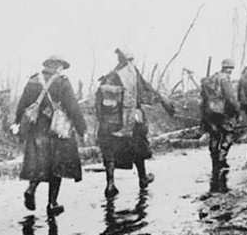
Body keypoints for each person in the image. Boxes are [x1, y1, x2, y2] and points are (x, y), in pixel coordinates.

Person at [13, 55, 86, 216]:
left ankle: (31, 189)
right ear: (58, 66)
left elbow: (22, 104)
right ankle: (52, 203)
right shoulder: (62, 82)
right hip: (56, 130)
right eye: (61, 66)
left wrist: (18, 123)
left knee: (40, 164)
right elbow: (73, 107)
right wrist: (82, 129)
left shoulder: (33, 81)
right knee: (56, 167)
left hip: (36, 130)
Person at [95, 48, 174, 198]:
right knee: (138, 148)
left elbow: (98, 102)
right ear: (130, 60)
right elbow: (147, 91)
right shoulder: (132, 73)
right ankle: (143, 178)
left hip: (109, 121)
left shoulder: (110, 76)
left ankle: (110, 184)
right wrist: (163, 101)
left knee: (109, 153)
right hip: (131, 119)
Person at [201, 58, 240, 171]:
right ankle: (221, 158)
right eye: (231, 69)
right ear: (229, 68)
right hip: (221, 111)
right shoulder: (225, 79)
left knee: (214, 135)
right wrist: (236, 110)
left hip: (209, 111)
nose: (230, 71)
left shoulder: (212, 78)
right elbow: (230, 98)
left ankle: (214, 161)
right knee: (229, 133)